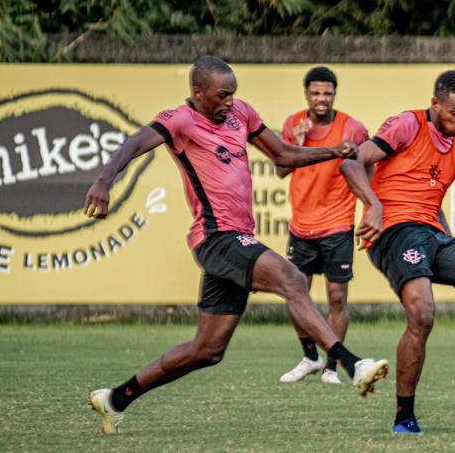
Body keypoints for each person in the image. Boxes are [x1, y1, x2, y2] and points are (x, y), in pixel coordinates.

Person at [84, 56, 388, 435]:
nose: (230, 101)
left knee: (207, 350)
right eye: (223, 95)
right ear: (198, 92)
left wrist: (332, 151)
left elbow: (282, 155)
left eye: (233, 94)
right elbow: (133, 143)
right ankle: (351, 363)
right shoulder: (179, 120)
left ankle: (115, 399)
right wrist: (103, 180)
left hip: (236, 238)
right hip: (216, 238)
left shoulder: (240, 113)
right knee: (292, 279)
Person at [339, 70, 455, 434]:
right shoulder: (407, 124)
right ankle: (404, 416)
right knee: (423, 314)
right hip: (393, 231)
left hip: (432, 235)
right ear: (436, 102)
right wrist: (372, 204)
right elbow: (351, 161)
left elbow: (432, 200)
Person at [275, 66, 369, 385]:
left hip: (337, 225)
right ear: (306, 94)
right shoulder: (293, 125)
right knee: (294, 294)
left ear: (334, 95)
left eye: (327, 93)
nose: (321, 98)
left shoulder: (352, 128)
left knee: (337, 298)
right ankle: (310, 357)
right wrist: (297, 144)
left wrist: (371, 208)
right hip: (301, 226)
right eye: (315, 93)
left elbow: (365, 167)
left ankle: (331, 366)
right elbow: (280, 170)